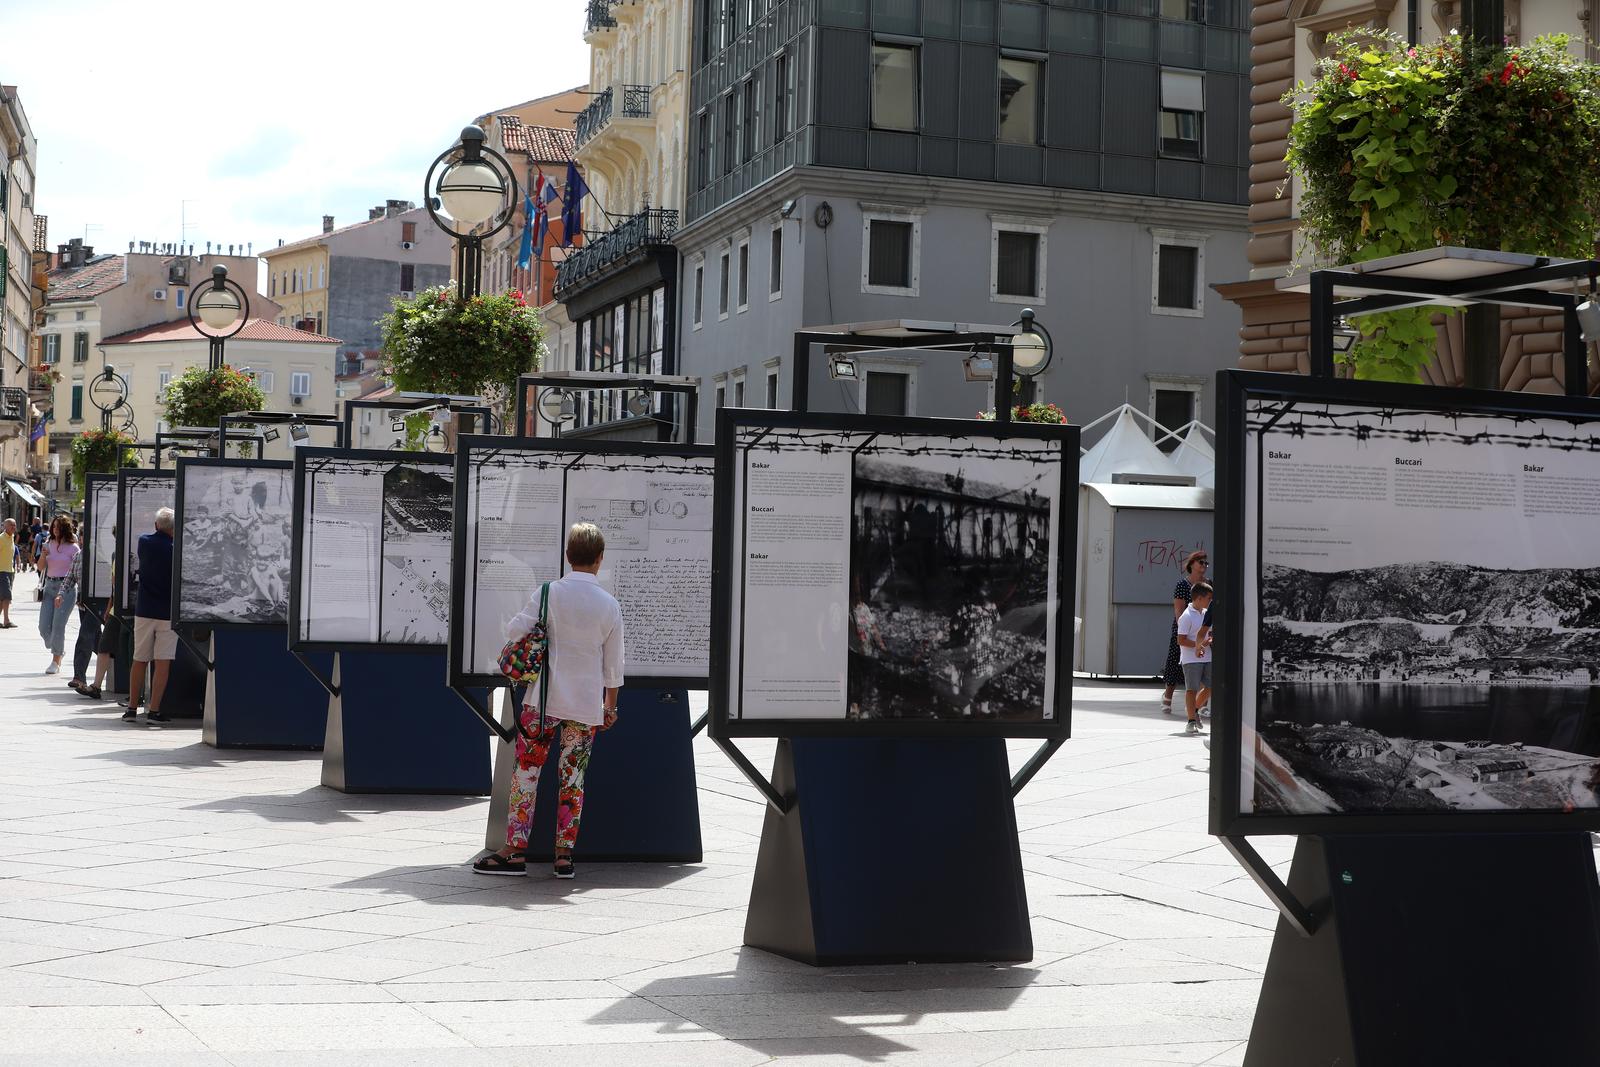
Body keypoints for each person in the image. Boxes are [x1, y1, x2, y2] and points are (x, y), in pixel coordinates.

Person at [475, 522, 623, 879]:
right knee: (573, 781)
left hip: (541, 702)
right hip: (585, 707)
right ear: (600, 559)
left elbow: (514, 630)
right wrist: (610, 706)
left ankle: (514, 852)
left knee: (526, 774)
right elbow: (613, 666)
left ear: (568, 556)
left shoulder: (548, 594)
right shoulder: (609, 605)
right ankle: (563, 857)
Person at [125, 507, 177, 725]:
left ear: (156, 525)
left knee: (140, 659)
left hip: (145, 609)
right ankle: (154, 710)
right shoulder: (176, 548)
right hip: (168, 611)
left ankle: (131, 708)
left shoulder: (144, 542)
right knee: (163, 662)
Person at [1161, 551, 1207, 714]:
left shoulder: (1208, 584)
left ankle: (1201, 704)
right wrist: (1184, 629)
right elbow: (1178, 610)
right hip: (1184, 628)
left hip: (1203, 629)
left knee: (1204, 664)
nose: (1204, 565)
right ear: (1192, 564)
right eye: (1201, 562)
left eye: (1206, 563)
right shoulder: (1182, 585)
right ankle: (1167, 696)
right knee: (1175, 663)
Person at [36, 517, 81, 675]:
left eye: (58, 527)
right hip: (49, 587)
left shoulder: (73, 548)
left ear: (65, 529)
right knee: (43, 627)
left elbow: (77, 572)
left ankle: (56, 660)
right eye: (54, 527)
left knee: (58, 626)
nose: (55, 530)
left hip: (66, 589)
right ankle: (58, 648)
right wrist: (43, 555)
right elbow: (40, 567)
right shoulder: (48, 544)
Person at [1177, 581, 1214, 736]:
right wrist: (1199, 645)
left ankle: (1194, 710)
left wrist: (1208, 641)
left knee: (1211, 686)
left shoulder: (1206, 613)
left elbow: (1208, 633)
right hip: (1190, 659)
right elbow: (1181, 640)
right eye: (1209, 598)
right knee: (1191, 689)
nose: (1211, 601)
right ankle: (1191, 720)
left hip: (1208, 657)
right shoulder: (1186, 616)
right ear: (1199, 598)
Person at [0, 517, 16, 628]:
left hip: (10, 571)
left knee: (2, 598)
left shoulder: (12, 537)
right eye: (11, 525)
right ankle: (6, 620)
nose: (14, 527)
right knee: (7, 596)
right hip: (2, 571)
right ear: (5, 526)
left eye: (14, 525)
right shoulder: (1, 538)